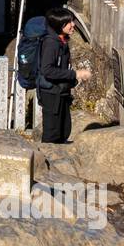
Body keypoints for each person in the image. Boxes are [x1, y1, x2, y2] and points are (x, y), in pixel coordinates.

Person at [38, 7, 91, 144]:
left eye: (72, 21)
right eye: (69, 22)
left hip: (61, 91)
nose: (73, 24)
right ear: (59, 26)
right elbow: (47, 70)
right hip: (51, 93)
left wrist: (72, 78)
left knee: (64, 130)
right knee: (52, 134)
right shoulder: (51, 43)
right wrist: (75, 74)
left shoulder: (62, 41)